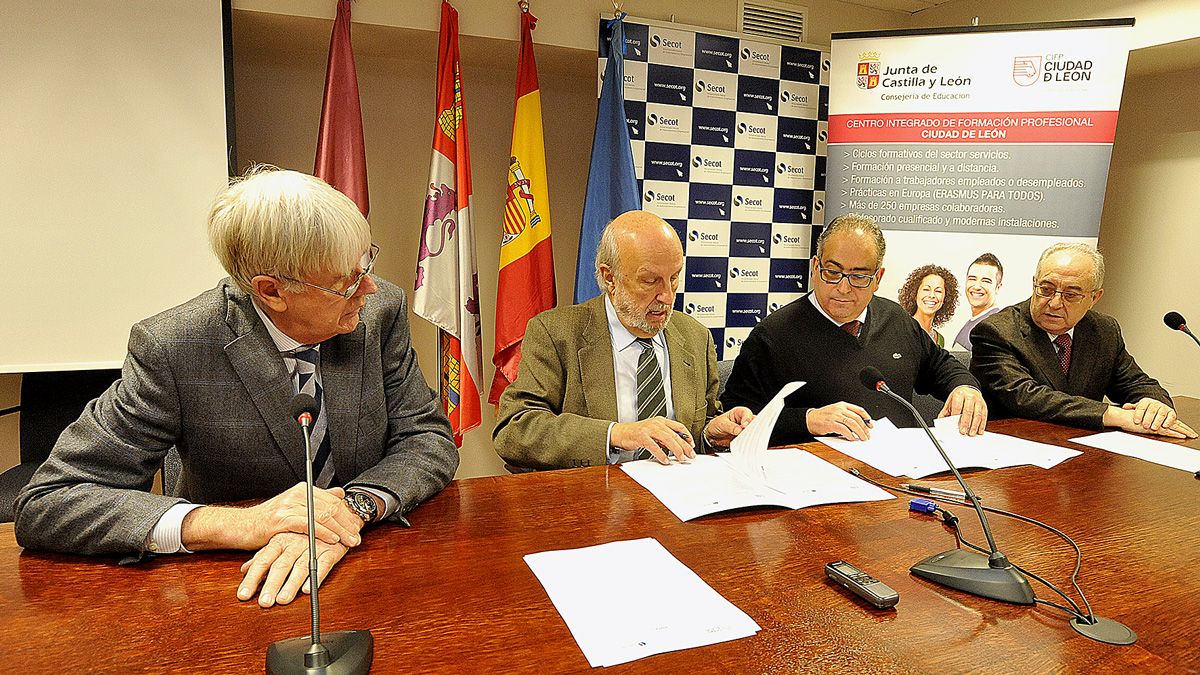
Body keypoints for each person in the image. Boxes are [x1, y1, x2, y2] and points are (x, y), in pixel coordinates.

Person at [14, 168, 459, 607]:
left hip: (372, 564)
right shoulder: (174, 347)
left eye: (366, 265)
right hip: (236, 586)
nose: (370, 288)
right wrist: (243, 524)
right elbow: (51, 501)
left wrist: (351, 510)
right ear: (271, 291)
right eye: (346, 281)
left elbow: (426, 438)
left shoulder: (379, 312)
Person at [494, 210, 754, 470]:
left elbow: (697, 430)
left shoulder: (696, 337)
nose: (666, 295)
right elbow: (514, 429)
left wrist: (711, 434)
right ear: (610, 278)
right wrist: (617, 434)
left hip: (678, 498)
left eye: (673, 278)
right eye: (650, 281)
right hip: (595, 498)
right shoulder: (557, 333)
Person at [721, 213, 987, 446]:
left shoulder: (895, 319)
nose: (843, 288)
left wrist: (964, 387)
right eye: (832, 272)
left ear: (878, 278)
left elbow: (941, 366)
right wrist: (808, 419)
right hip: (820, 484)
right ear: (815, 267)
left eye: (859, 276)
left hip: (905, 470)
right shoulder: (772, 336)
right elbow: (737, 420)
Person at [970, 242, 1196, 438]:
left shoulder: (1103, 330)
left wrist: (1154, 404)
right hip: (1014, 459)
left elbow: (1137, 383)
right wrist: (1112, 414)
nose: (1055, 303)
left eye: (1071, 294)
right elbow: (1027, 397)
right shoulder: (996, 332)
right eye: (1046, 289)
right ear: (1034, 283)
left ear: (1094, 297)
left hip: (1084, 455)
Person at [898, 264, 958, 348]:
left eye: (938, 291)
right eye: (926, 289)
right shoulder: (902, 331)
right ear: (914, 294)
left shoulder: (939, 339)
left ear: (946, 297)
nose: (932, 295)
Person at [953, 253, 1004, 351]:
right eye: (972, 279)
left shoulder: (994, 328)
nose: (976, 286)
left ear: (998, 287)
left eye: (986, 281)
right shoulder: (974, 322)